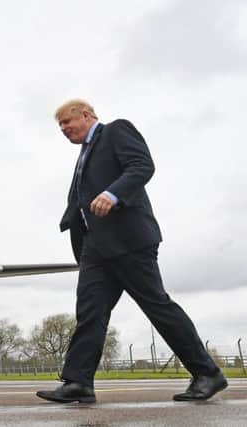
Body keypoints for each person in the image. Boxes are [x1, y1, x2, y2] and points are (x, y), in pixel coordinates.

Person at [36, 99, 227, 403]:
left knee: (157, 306)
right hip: (95, 247)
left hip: (128, 241)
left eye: (66, 122)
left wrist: (113, 194)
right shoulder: (84, 154)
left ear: (86, 115)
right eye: (59, 125)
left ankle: (208, 374)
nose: (63, 129)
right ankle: (78, 383)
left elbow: (142, 166)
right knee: (90, 313)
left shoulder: (115, 131)